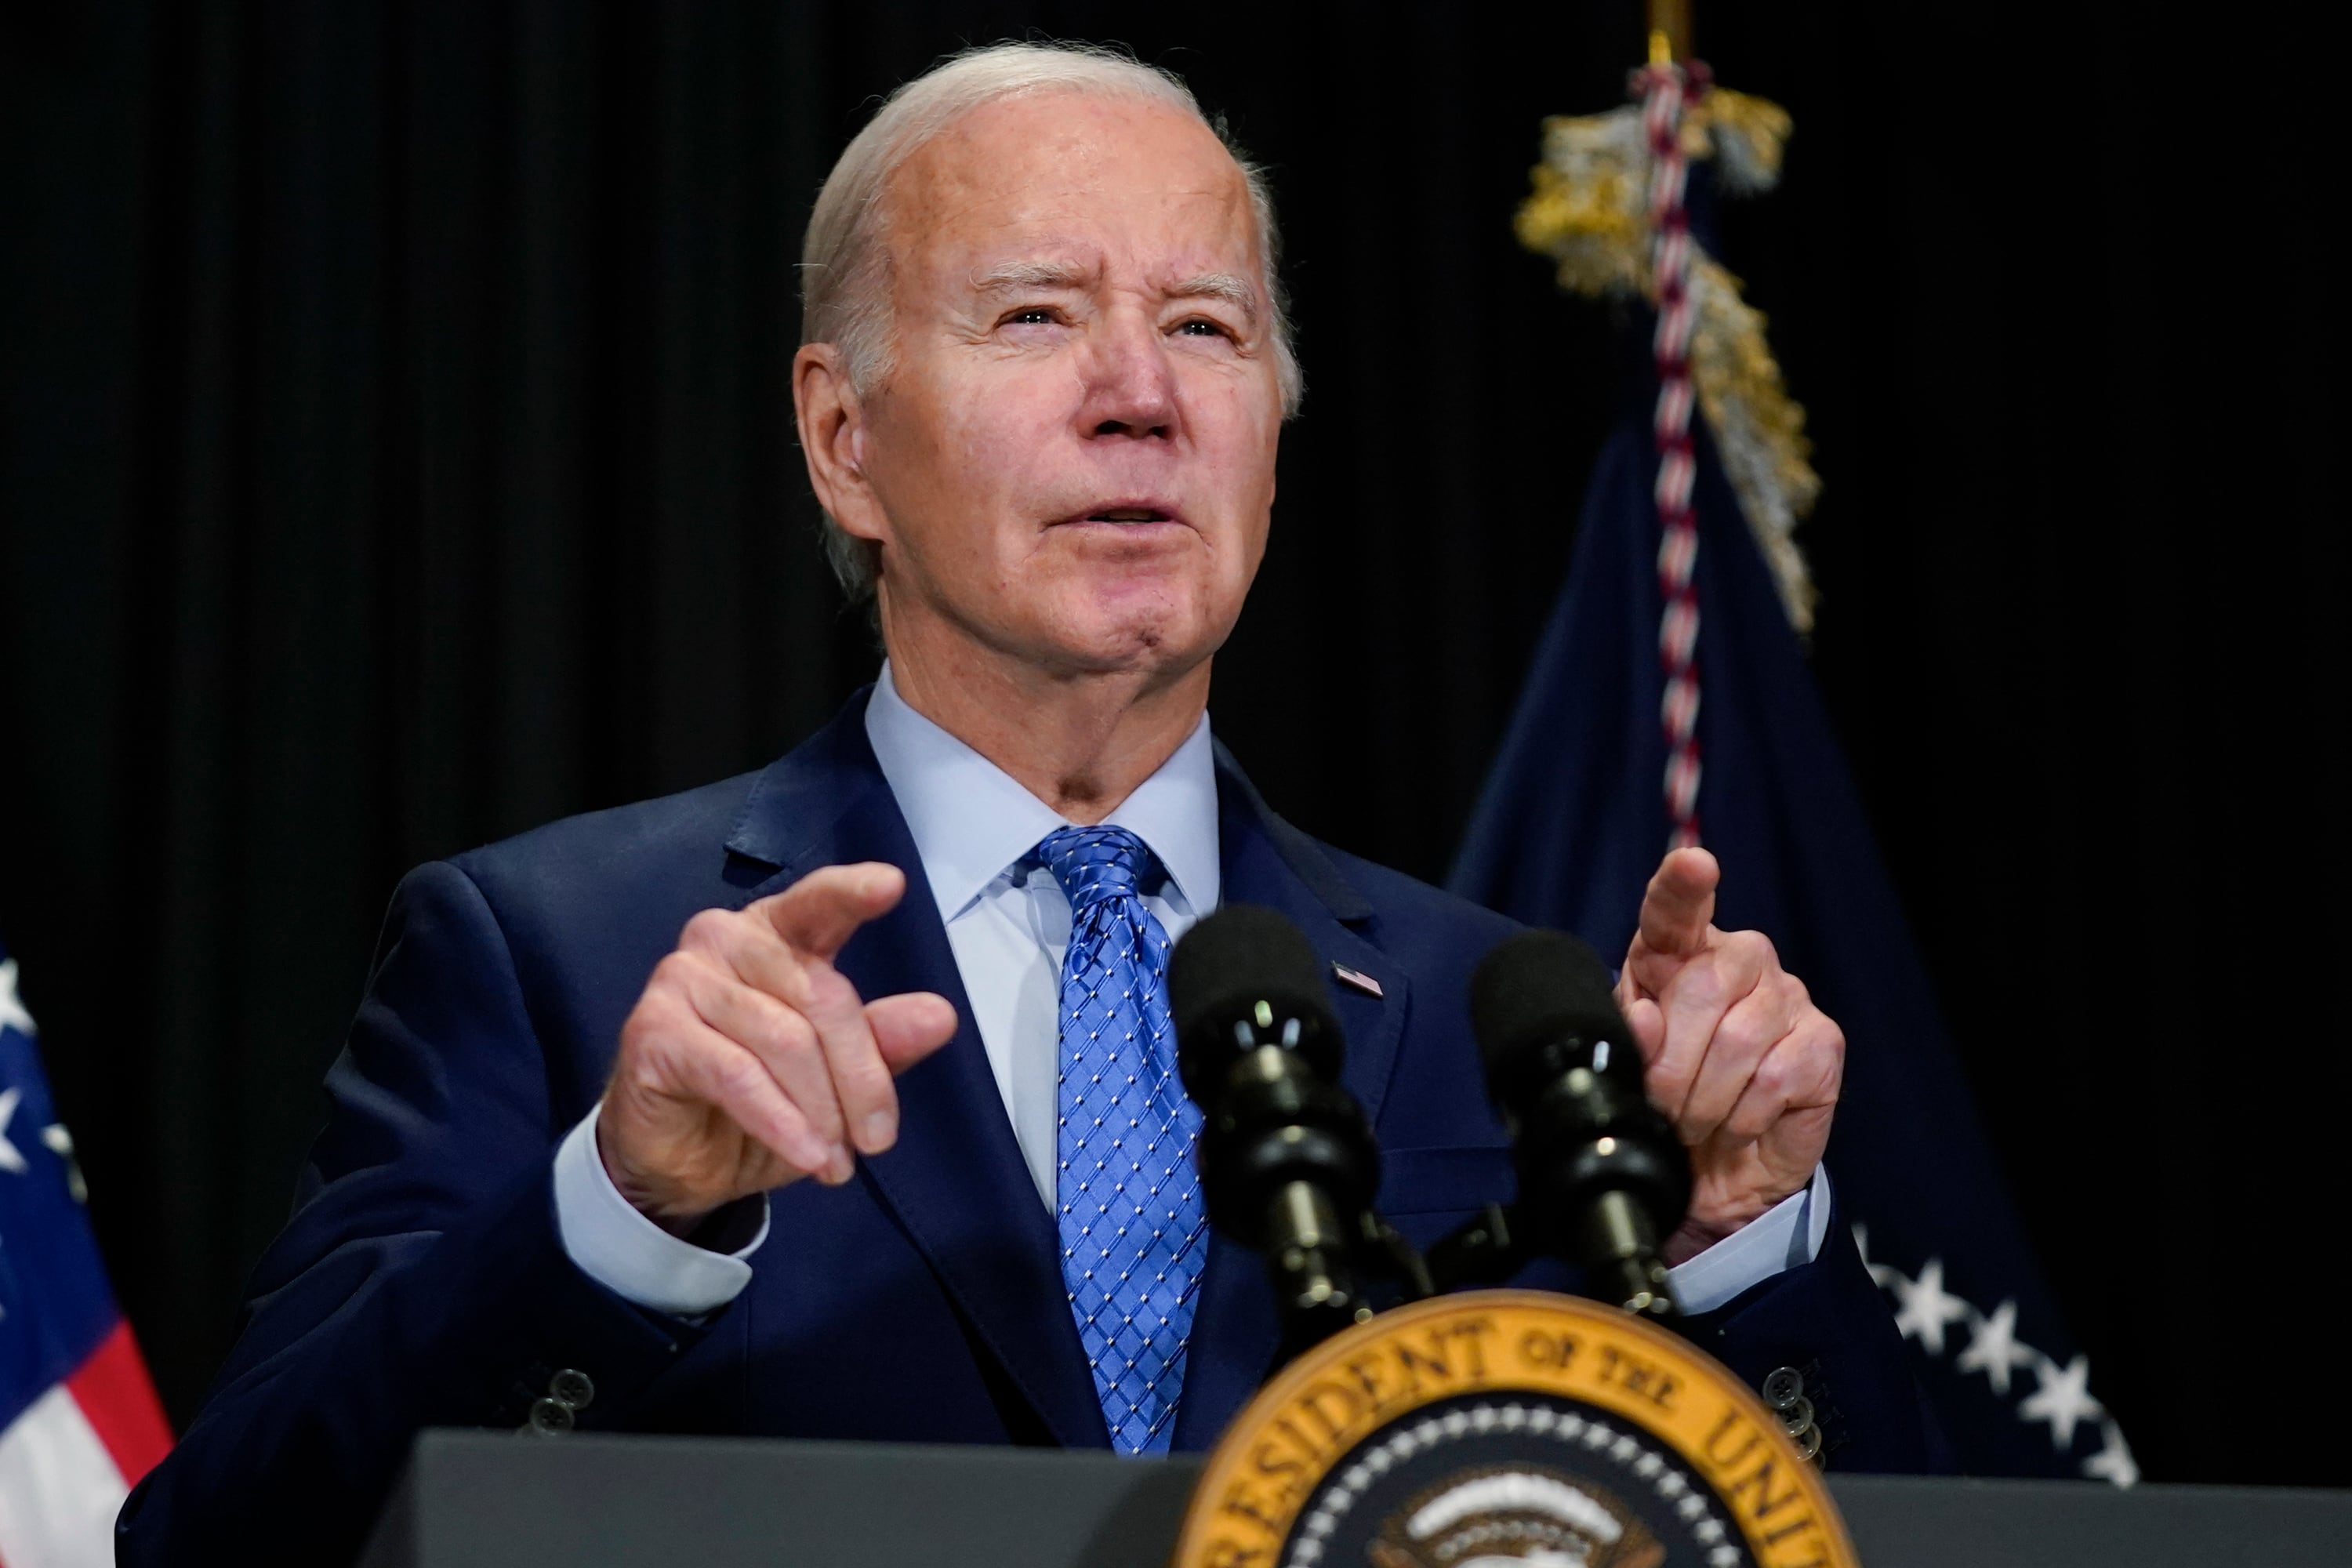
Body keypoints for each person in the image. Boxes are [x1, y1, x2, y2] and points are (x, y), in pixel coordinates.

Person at [118, 42, 1933, 1565]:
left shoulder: (1504, 1015)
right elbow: (230, 1539)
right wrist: (622, 1213)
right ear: (846, 441)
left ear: (1274, 432)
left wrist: (1740, 1243)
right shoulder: (556, 958)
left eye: (1207, 327)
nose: (1138, 396)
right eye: (1038, 315)